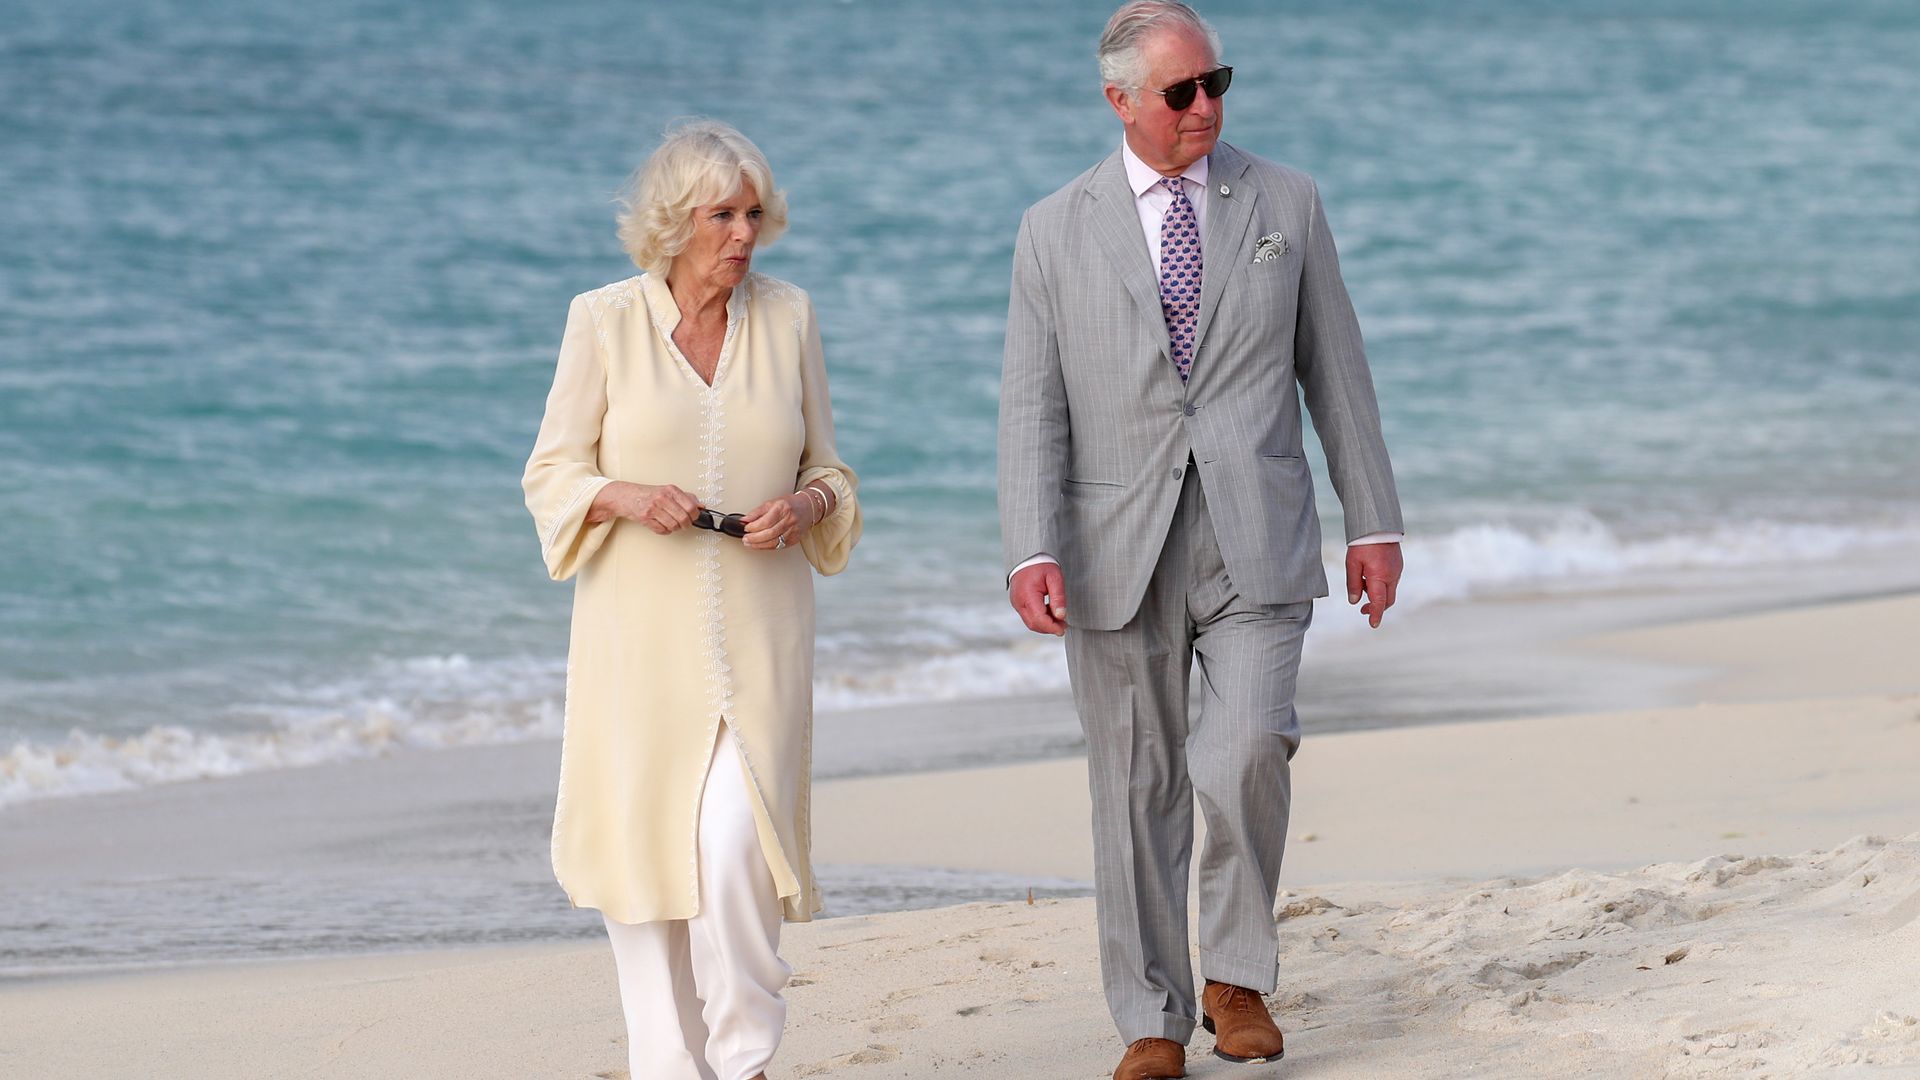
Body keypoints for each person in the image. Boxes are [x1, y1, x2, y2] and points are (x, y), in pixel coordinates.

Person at [996, 3, 1405, 1077]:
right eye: (1182, 91)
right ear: (1121, 100)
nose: (1207, 106)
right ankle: (1149, 1018)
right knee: (1134, 790)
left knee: (1245, 754)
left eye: (1218, 82)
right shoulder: (1054, 228)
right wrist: (1028, 546)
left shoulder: (1287, 202)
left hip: (1257, 532)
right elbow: (1031, 406)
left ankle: (1234, 976)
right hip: (1109, 546)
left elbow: (1338, 372)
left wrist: (1375, 521)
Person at [522, 118, 860, 1080]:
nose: (744, 234)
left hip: (761, 633)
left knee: (728, 847)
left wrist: (802, 504)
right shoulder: (602, 321)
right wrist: (623, 495)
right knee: (643, 867)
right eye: (723, 214)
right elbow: (551, 472)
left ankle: (745, 1056)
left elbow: (831, 468)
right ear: (676, 221)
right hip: (637, 641)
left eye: (754, 213)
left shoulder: (789, 317)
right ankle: (670, 1069)